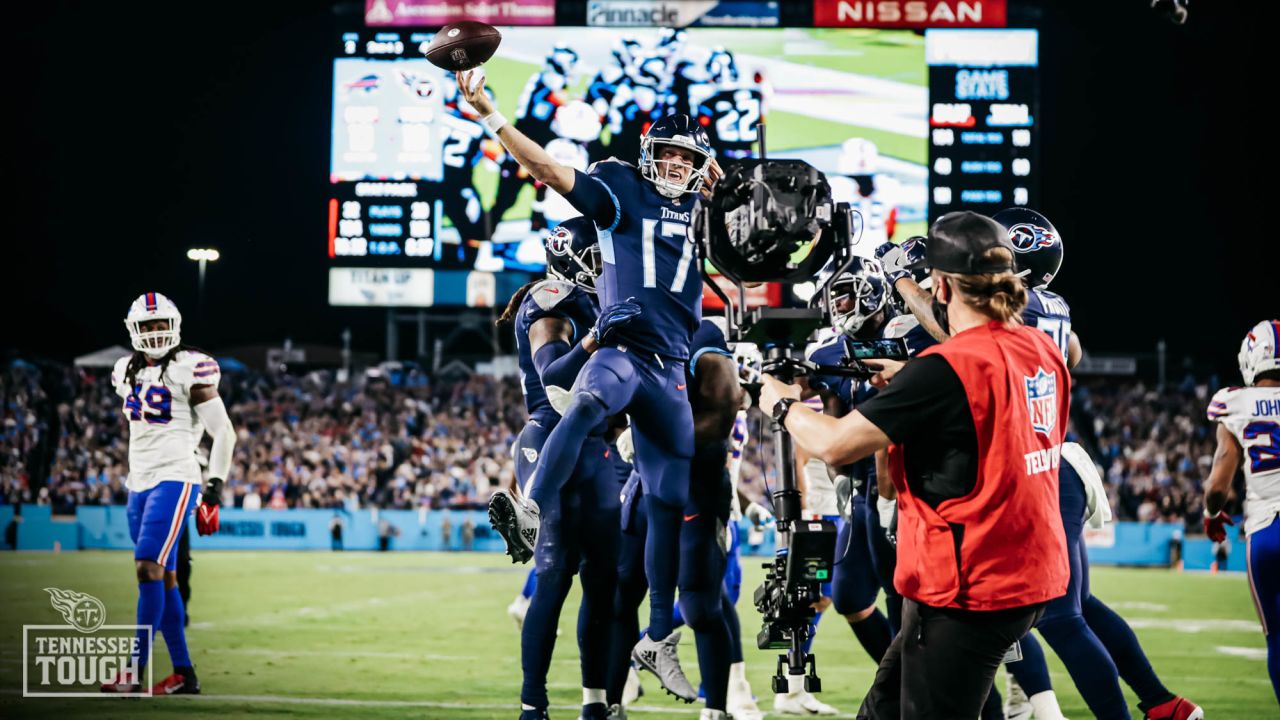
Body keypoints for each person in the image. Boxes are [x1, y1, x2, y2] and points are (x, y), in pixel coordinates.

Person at [462, 64, 723, 702]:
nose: (672, 165)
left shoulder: (702, 205)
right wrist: (491, 114)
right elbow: (551, 172)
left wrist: (724, 191)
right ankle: (526, 510)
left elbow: (756, 234)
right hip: (625, 348)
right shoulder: (618, 190)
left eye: (684, 156)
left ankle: (659, 637)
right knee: (587, 398)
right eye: (662, 153)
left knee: (666, 501)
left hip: (669, 366)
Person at [881, 209, 1203, 720]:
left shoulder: (1009, 312)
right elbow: (1069, 354)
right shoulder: (1054, 306)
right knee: (1077, 605)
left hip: (1031, 464)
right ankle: (1160, 701)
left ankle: (1074, 705)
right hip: (1055, 455)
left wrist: (903, 281)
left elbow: (959, 341)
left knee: (1059, 615)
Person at [760, 212, 1071, 719]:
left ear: (942, 285)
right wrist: (910, 377)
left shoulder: (947, 369)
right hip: (1028, 568)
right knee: (885, 707)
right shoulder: (1040, 347)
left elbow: (836, 445)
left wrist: (776, 400)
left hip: (968, 582)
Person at [494, 217, 621, 720]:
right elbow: (554, 381)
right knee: (553, 578)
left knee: (603, 579)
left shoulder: (590, 302)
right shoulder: (552, 303)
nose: (603, 268)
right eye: (595, 257)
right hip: (551, 439)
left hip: (594, 447)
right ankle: (533, 706)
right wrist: (594, 340)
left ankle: (595, 703)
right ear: (568, 257)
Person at [607, 318, 746, 720]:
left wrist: (654, 437)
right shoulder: (629, 329)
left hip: (695, 485)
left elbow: (721, 417)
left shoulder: (704, 335)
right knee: (620, 597)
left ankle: (716, 710)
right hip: (644, 484)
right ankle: (610, 704)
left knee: (701, 605)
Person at [100, 292, 234, 696]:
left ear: (174, 327)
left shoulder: (189, 366)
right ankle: (184, 674)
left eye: (162, 325)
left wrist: (214, 488)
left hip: (176, 478)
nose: (156, 333)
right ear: (134, 331)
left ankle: (133, 671)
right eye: (148, 326)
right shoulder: (123, 370)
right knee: (167, 577)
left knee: (147, 567)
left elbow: (223, 430)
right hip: (138, 481)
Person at [1203, 319, 1280, 706]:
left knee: (1278, 637)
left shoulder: (1235, 401)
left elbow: (1219, 484)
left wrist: (1212, 512)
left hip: (1266, 531)